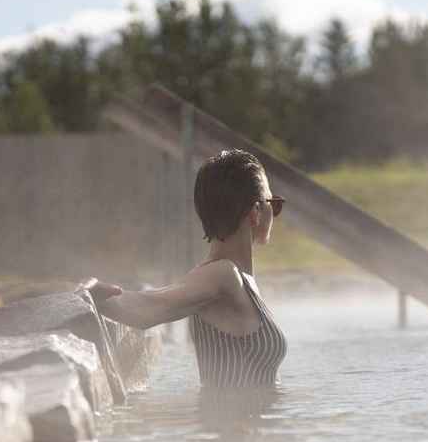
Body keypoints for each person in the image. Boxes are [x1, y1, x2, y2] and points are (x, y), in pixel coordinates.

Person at [87, 149, 288, 389]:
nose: (275, 213)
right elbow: (149, 308)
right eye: (273, 204)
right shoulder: (223, 276)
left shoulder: (236, 279)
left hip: (247, 423)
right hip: (230, 424)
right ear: (255, 212)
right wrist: (89, 293)